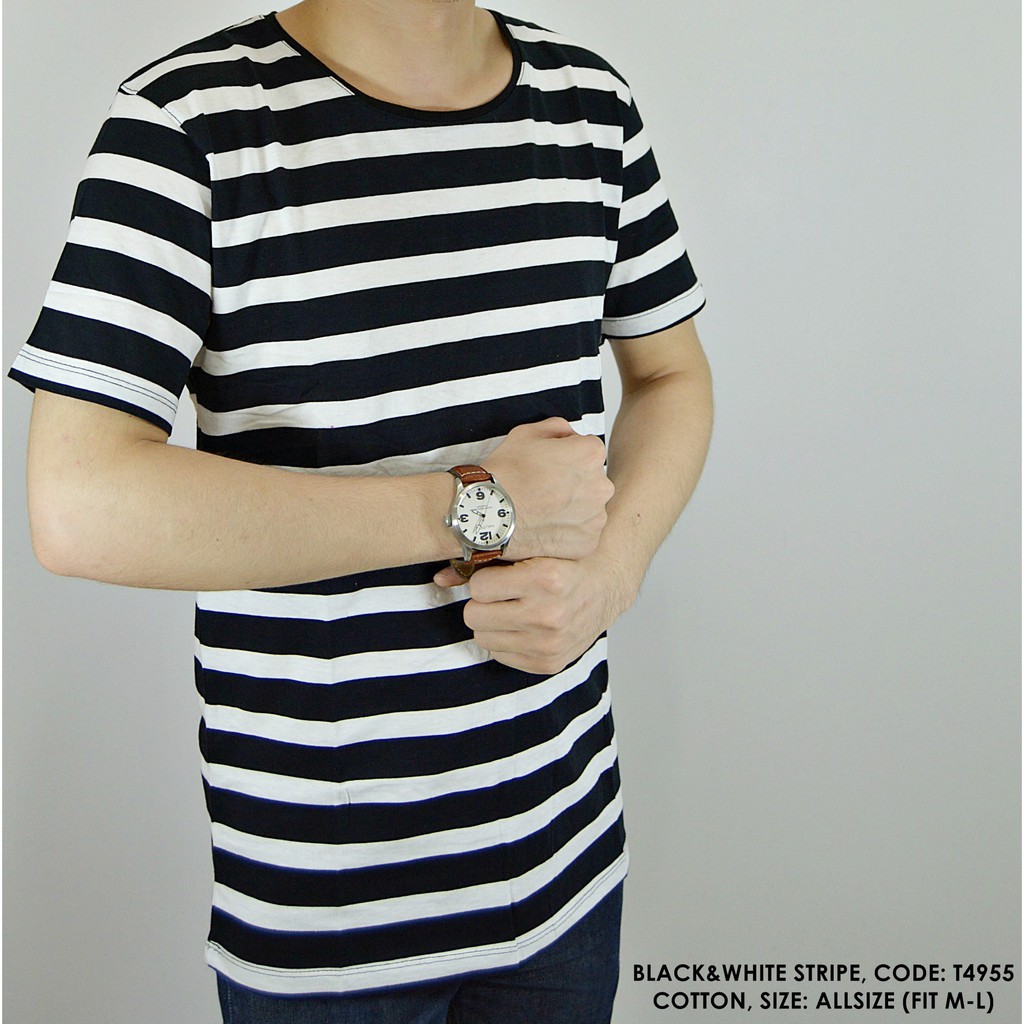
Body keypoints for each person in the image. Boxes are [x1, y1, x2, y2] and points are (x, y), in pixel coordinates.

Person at [10, 0, 713, 1020]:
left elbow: (672, 376)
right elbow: (78, 503)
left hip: (566, 858)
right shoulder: (187, 121)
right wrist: (475, 509)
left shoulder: (590, 103)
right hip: (329, 905)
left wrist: (612, 574)